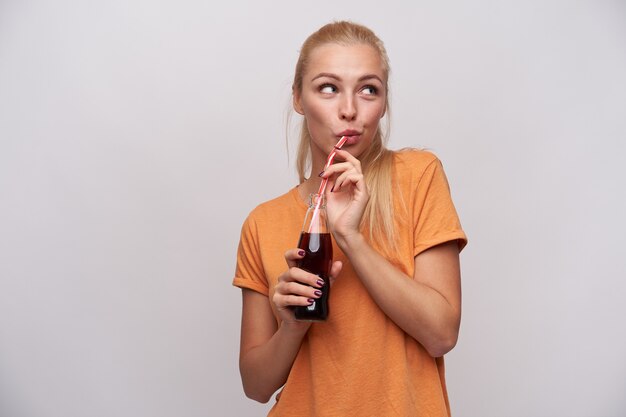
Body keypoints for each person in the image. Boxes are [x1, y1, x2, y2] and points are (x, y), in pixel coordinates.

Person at [233, 21, 467, 417]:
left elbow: (441, 333)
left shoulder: (418, 176)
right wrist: (292, 325)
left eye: (368, 89)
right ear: (297, 98)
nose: (349, 110)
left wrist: (351, 238)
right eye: (328, 87)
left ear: (384, 102)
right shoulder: (263, 221)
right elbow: (256, 386)